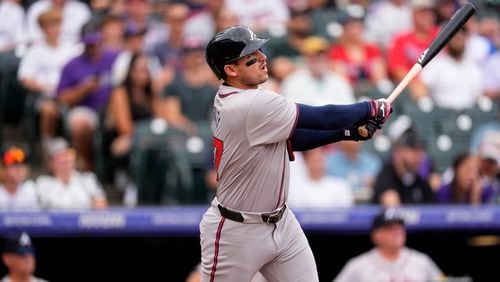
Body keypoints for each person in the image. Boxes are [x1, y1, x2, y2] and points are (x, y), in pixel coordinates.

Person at [200, 25, 392, 281]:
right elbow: (321, 117)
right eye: (251, 57)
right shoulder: (249, 103)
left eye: (260, 51)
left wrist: (348, 133)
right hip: (236, 231)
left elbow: (293, 139)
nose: (263, 58)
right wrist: (370, 107)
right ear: (231, 70)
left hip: (281, 222)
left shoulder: (245, 96)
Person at [56, 26, 119, 171]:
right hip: (87, 108)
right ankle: (87, 165)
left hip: (113, 109)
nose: (93, 47)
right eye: (89, 44)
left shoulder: (115, 58)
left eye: (96, 43)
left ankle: (116, 172)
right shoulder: (72, 65)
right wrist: (83, 88)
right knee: (79, 124)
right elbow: (63, 98)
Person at [334, 208, 443, 282]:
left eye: (399, 227)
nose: (397, 232)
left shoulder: (422, 261)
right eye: (390, 228)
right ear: (376, 235)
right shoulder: (357, 266)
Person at [371, 125, 435, 206]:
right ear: (399, 152)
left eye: (420, 151)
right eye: (414, 151)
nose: (419, 156)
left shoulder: (420, 180)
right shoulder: (385, 177)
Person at [36, 138, 108, 209]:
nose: (66, 159)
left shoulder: (87, 179)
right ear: (50, 163)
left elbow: (101, 205)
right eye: (59, 157)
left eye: (69, 154)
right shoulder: (43, 183)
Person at [288, 147, 354, 208]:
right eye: (313, 160)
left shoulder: (341, 186)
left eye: (320, 160)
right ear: (305, 161)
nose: (317, 165)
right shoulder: (294, 188)